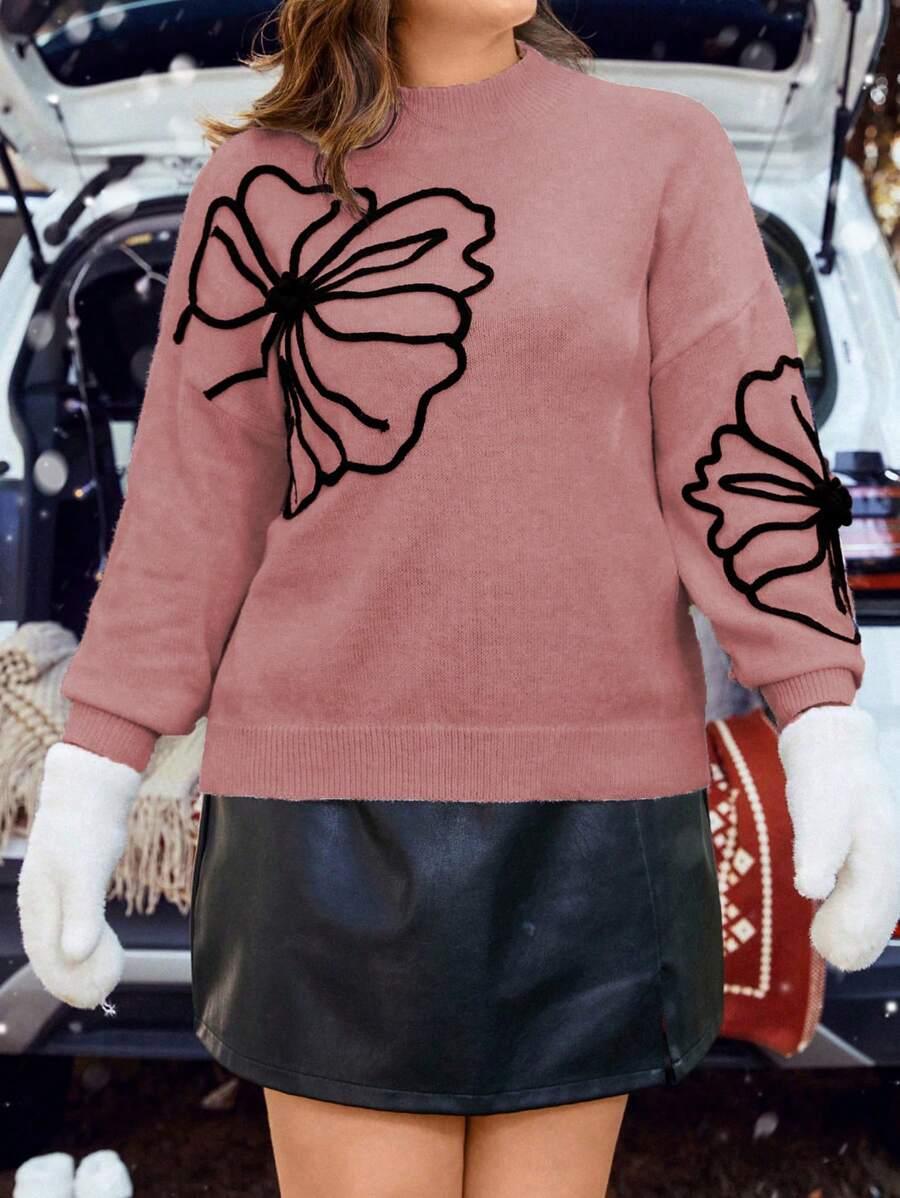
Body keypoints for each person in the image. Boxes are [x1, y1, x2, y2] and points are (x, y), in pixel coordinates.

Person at [17, 2, 900, 1195]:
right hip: (324, 820)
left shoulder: (662, 155)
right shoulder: (258, 184)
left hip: (593, 819)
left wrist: (822, 717)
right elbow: (191, 506)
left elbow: (741, 452)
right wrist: (95, 769)